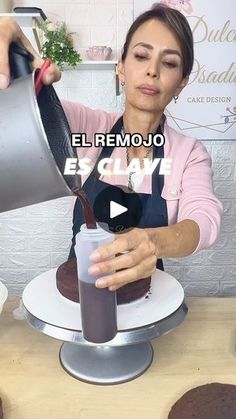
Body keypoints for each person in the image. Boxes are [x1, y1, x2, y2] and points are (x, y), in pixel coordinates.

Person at [0, 4, 223, 293]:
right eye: (141, 56)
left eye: (168, 63)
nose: (152, 70)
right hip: (80, 296)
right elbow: (27, 121)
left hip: (150, 301)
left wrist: (151, 242)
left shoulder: (189, 153)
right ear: (121, 67)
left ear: (181, 83)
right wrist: (16, 75)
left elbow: (204, 222)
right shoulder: (86, 125)